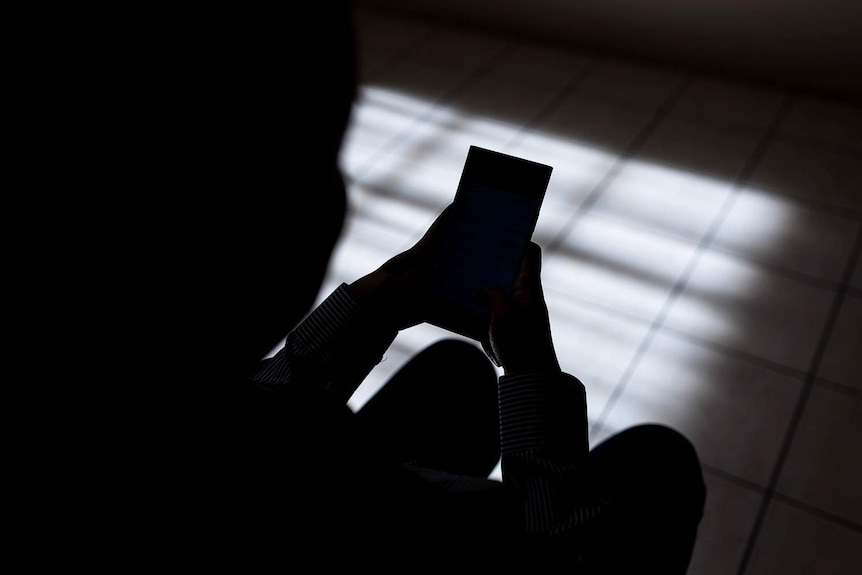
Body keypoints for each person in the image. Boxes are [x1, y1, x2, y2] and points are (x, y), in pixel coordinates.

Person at [70, 1, 705, 571]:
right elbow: (562, 557)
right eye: (323, 161)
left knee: (457, 371)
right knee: (659, 463)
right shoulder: (340, 491)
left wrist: (374, 305)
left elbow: (247, 406)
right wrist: (534, 373)